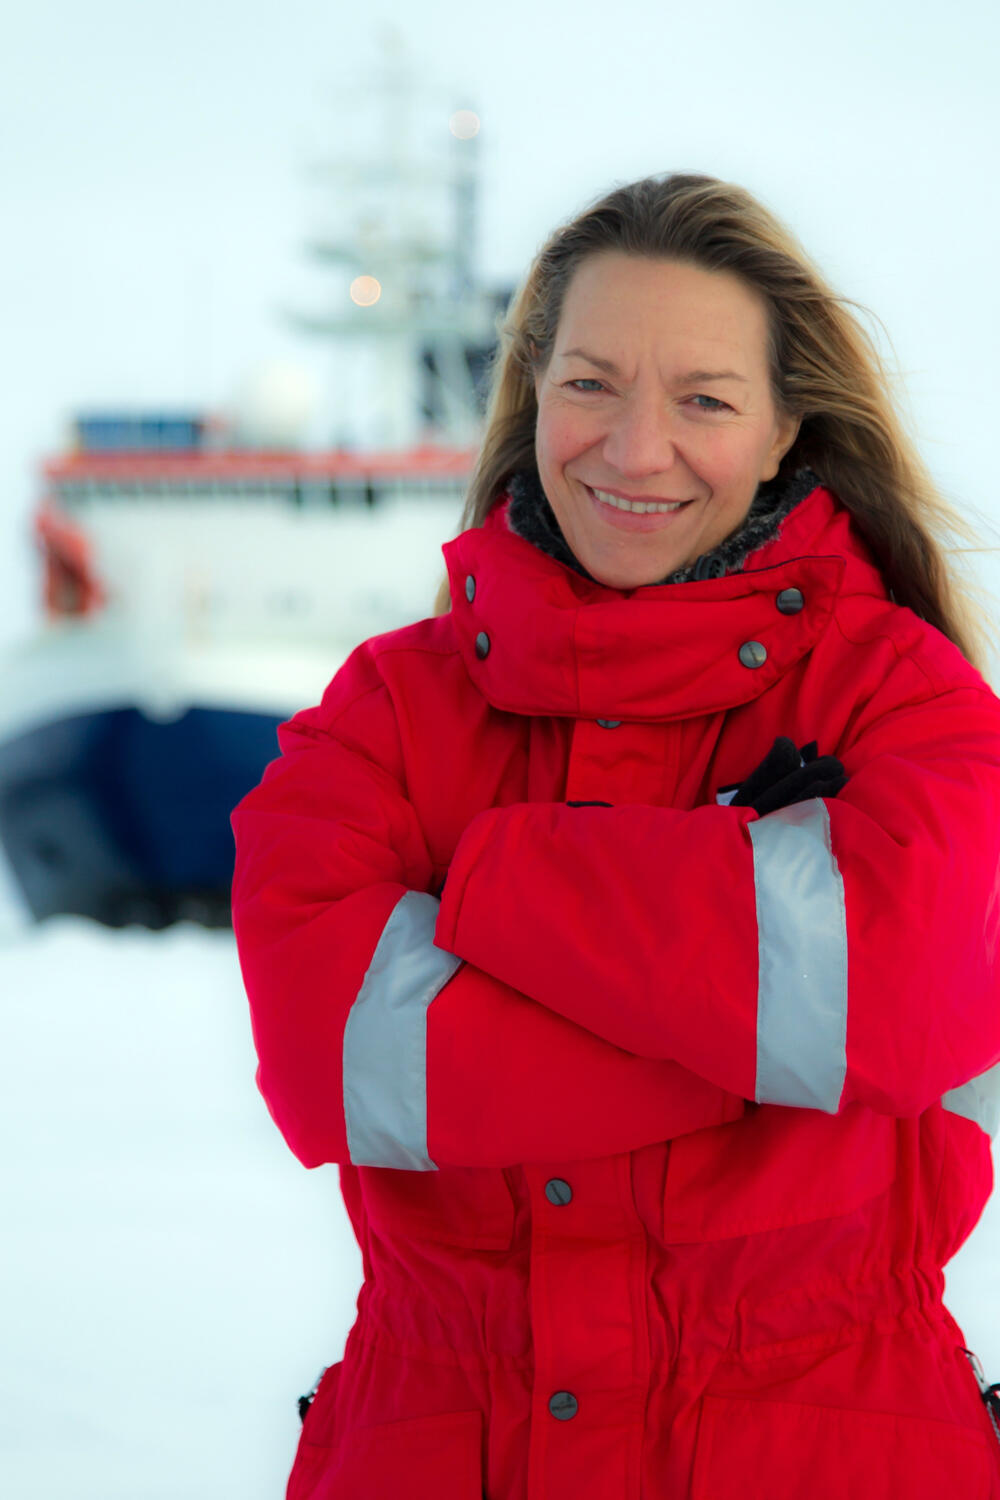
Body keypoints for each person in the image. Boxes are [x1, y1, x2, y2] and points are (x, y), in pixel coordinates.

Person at [230, 172, 1000, 1499]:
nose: (636, 451)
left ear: (782, 432)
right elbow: (338, 1065)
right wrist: (771, 1026)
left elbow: (902, 990)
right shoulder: (389, 709)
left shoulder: (902, 696)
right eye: (591, 385)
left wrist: (500, 879)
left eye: (703, 399)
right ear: (532, 399)